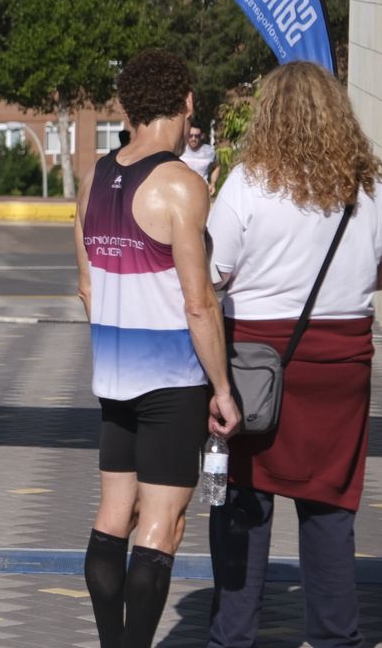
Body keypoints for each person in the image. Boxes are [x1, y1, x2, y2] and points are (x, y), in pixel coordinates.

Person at [204, 61, 382, 648]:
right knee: (330, 508)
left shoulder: (245, 183)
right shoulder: (370, 187)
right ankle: (337, 637)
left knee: (244, 502)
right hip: (341, 365)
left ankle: (232, 636)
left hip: (256, 364)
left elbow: (213, 273)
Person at [73, 50, 240, 648]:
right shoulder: (181, 186)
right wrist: (221, 388)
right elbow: (200, 305)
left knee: (113, 515)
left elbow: (87, 284)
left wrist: (120, 336)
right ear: (188, 102)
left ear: (125, 106)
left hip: (113, 378)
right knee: (162, 527)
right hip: (172, 382)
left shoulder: (93, 177)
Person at [179, 124, 220, 189]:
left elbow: (216, 166)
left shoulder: (210, 151)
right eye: (190, 136)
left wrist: (213, 183)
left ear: (202, 136)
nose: (193, 138)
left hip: (202, 189)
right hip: (182, 188)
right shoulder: (180, 150)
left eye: (196, 136)